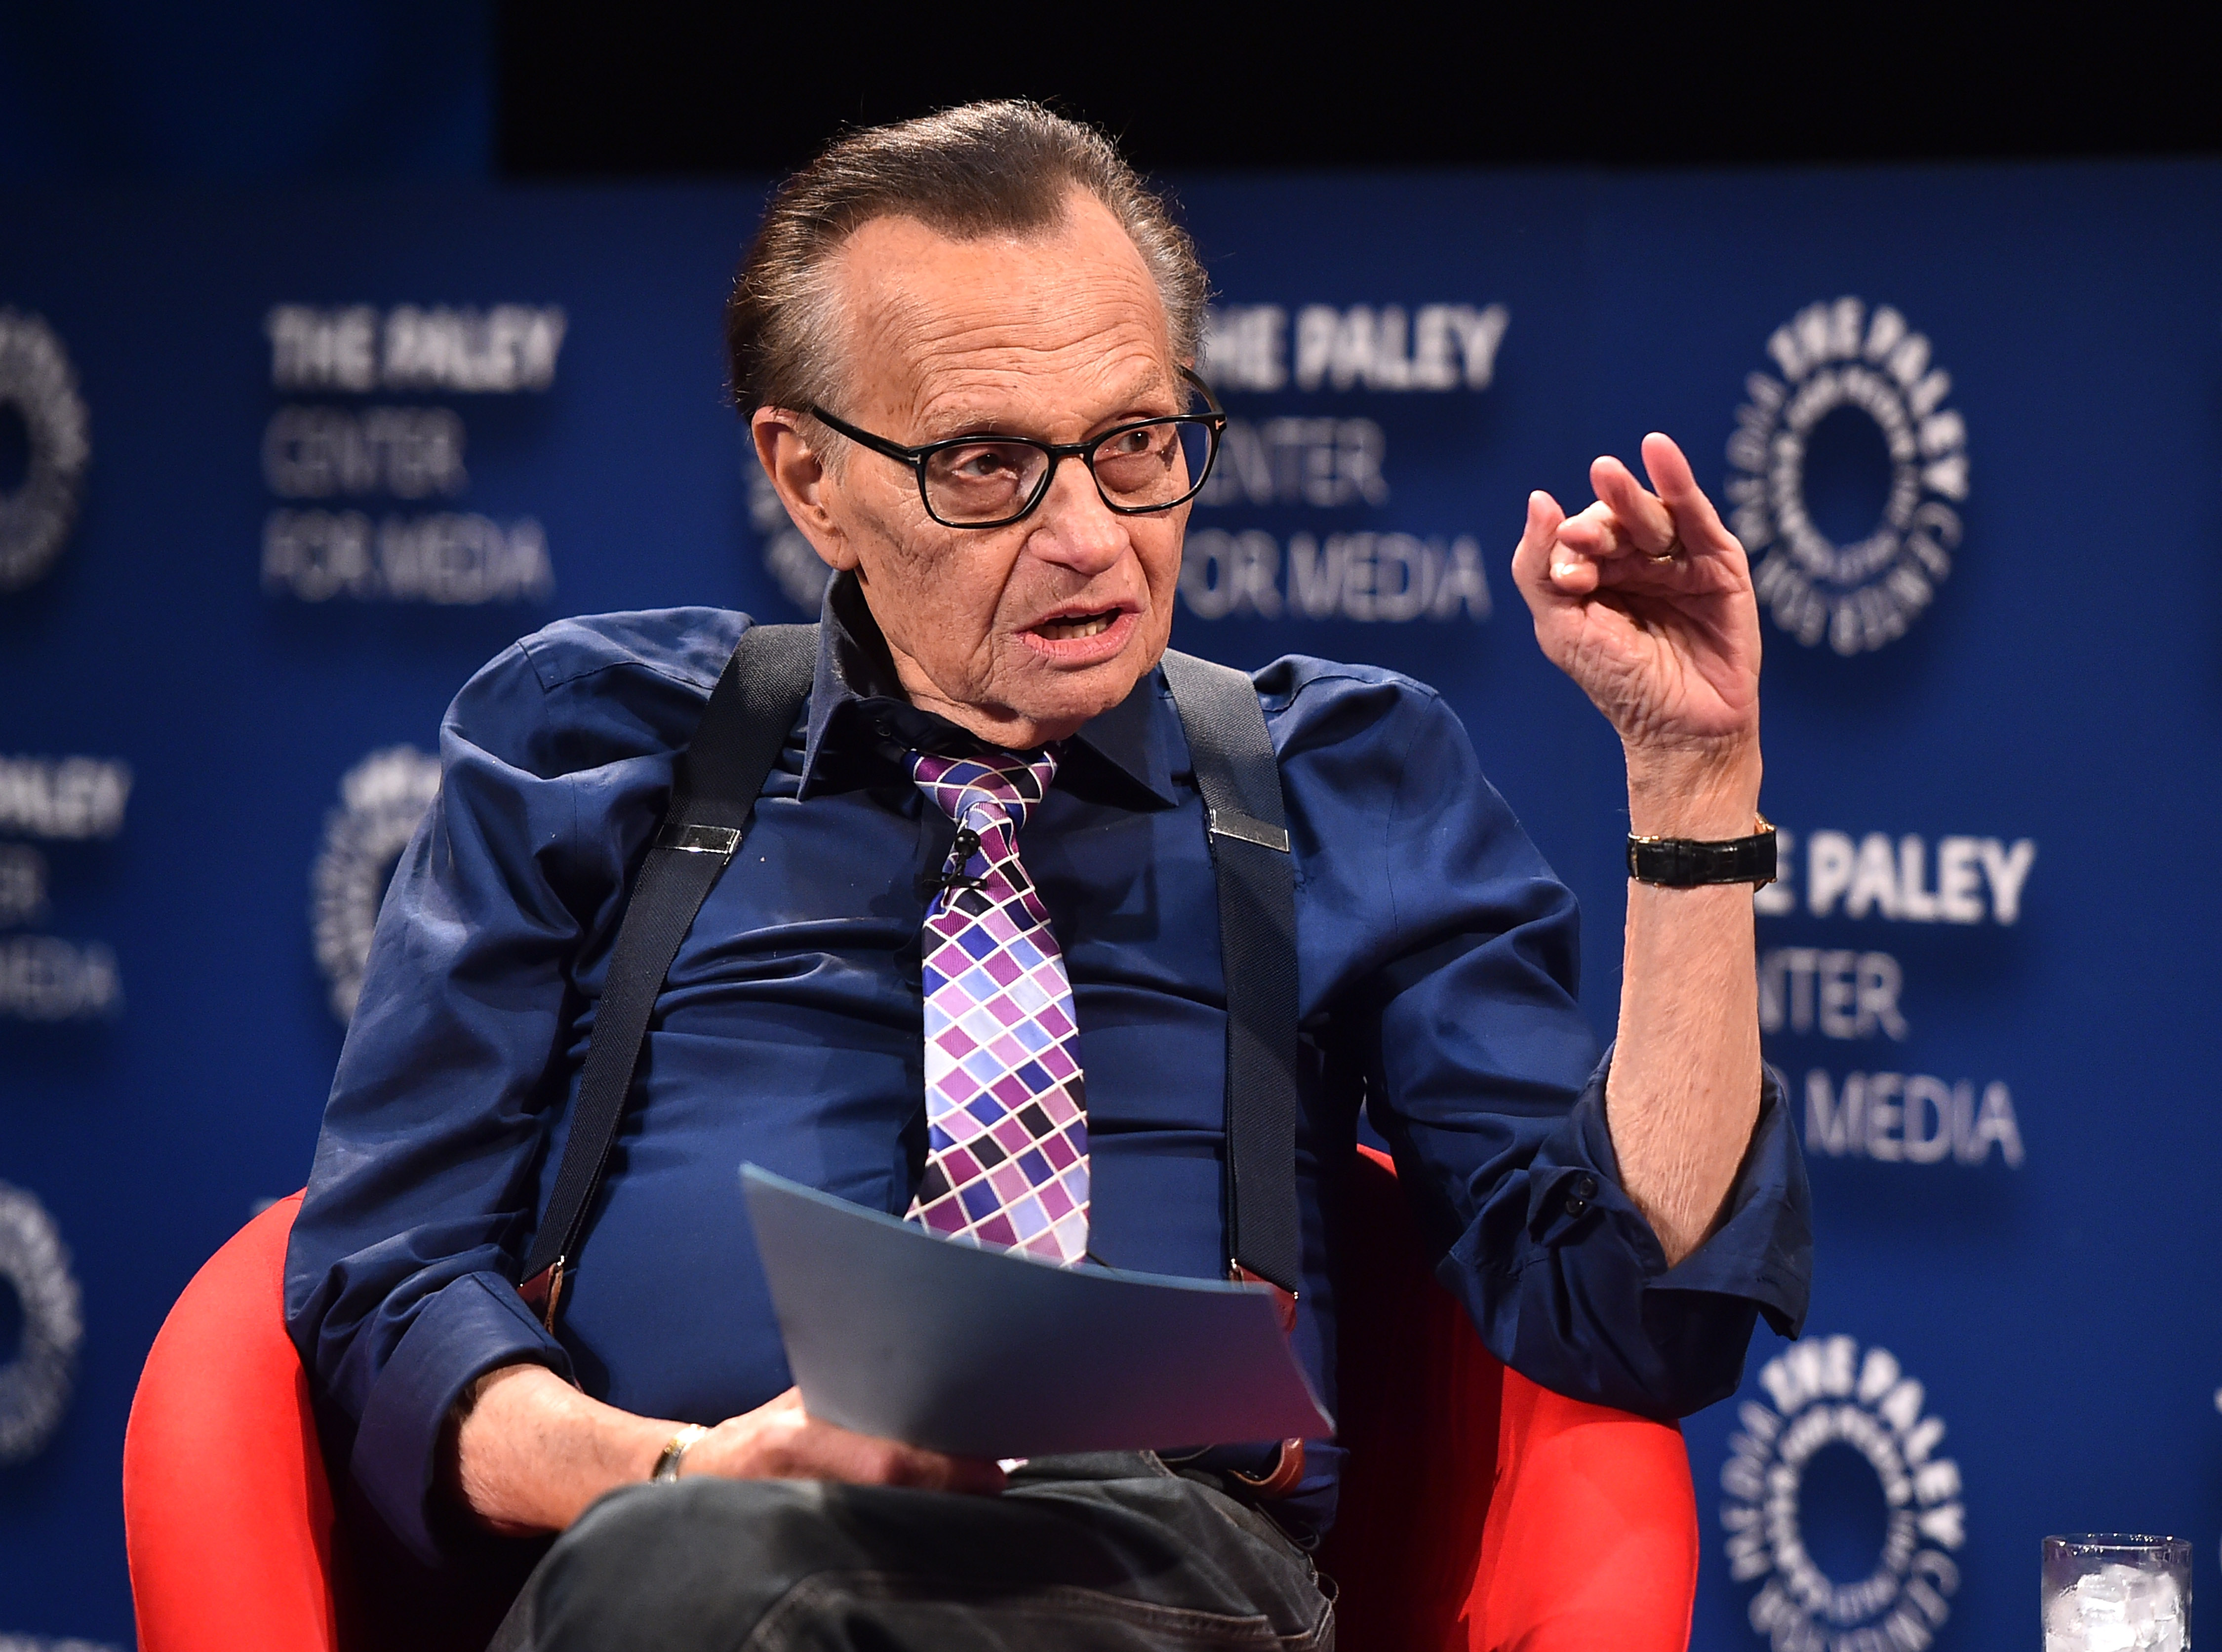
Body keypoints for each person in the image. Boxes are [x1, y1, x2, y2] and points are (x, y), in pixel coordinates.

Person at [286, 100, 1810, 1652]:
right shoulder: (597, 749)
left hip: (1154, 1579)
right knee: (729, 1580)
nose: (1091, 538)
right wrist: (679, 1467)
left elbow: (1632, 1312)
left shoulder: (1334, 777)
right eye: (990, 466)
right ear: (810, 479)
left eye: (1138, 446)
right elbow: (384, 1290)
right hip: (671, 1554)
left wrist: (1693, 782)